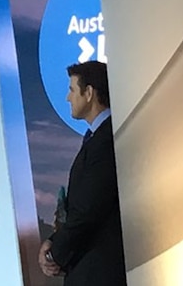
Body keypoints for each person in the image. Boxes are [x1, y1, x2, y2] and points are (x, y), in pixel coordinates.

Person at [38, 61, 127, 285]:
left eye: (71, 90)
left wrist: (54, 253)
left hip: (101, 272)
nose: (68, 98)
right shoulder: (97, 139)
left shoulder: (106, 140)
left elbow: (89, 210)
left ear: (88, 93)